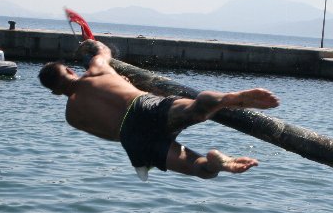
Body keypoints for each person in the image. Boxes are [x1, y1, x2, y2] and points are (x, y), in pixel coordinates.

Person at [38, 39, 280, 180]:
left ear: (56, 92)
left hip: (131, 138)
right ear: (70, 71)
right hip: (142, 106)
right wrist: (91, 45)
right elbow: (103, 51)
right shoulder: (96, 70)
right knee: (195, 109)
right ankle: (226, 99)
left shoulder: (72, 117)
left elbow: (110, 135)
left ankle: (217, 163)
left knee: (197, 168)